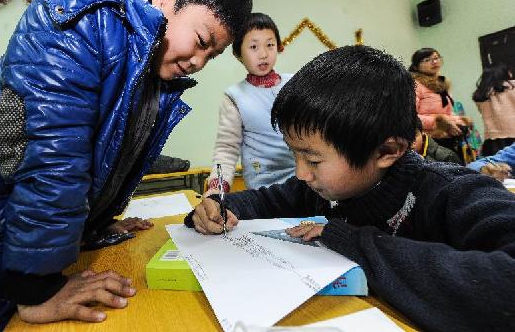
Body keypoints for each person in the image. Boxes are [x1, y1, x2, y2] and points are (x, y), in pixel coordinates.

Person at [0, 0, 252, 331]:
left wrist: (94, 224)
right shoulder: (85, 18)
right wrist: (37, 289)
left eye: (210, 57)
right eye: (200, 42)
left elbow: (93, 163)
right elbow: (53, 155)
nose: (198, 62)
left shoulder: (142, 74)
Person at [185, 46, 515, 332]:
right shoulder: (324, 188)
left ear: (386, 152)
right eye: (294, 154)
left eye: (313, 160)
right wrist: (220, 204)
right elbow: (267, 200)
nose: (300, 174)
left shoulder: (452, 191)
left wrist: (352, 241)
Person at [207, 12, 294, 192]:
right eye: (254, 47)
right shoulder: (234, 96)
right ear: (238, 53)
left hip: (303, 181)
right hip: (262, 189)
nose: (263, 54)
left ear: (278, 47)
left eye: (270, 45)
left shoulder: (294, 84)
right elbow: (226, 149)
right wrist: (217, 189)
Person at [409, 48, 471, 162]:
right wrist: (440, 122)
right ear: (416, 66)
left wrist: (458, 122)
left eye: (436, 58)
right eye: (427, 60)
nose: (434, 62)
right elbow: (410, 115)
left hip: (449, 138)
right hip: (429, 142)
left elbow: (447, 112)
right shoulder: (414, 85)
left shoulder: (442, 83)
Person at [472, 62, 515, 156]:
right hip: (513, 135)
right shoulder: (512, 86)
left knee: (499, 168)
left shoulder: (480, 93)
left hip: (492, 140)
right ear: (504, 73)